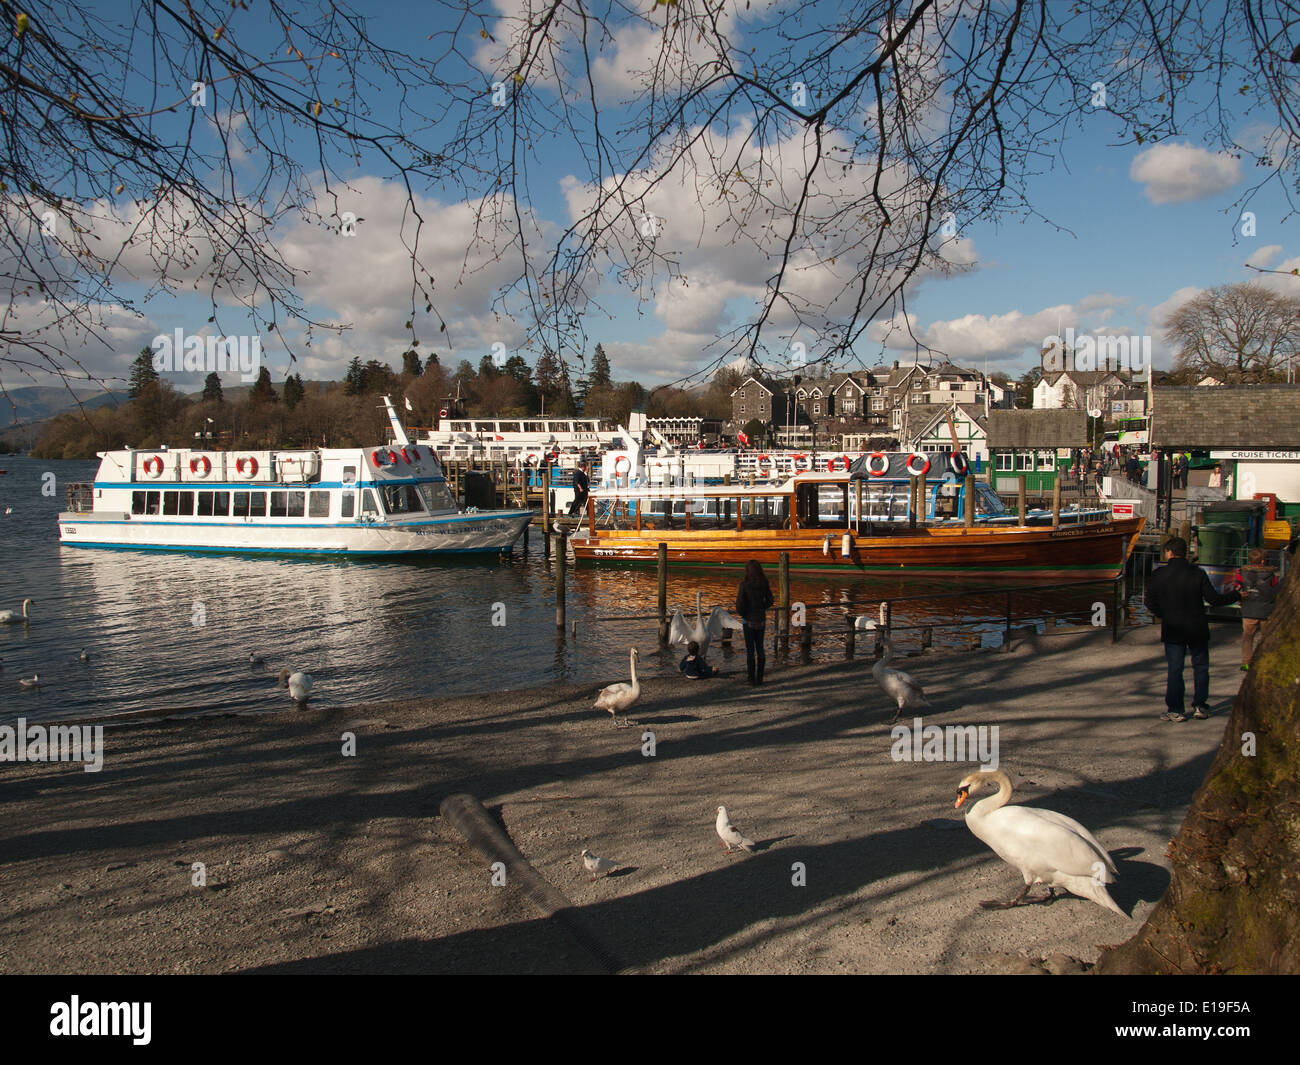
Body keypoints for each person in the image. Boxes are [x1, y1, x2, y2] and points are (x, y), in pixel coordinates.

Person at [1145, 536, 1241, 722]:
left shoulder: (1159, 574)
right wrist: (1236, 595)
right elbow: (1214, 600)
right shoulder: (1197, 573)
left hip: (1173, 626)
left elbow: (1150, 602)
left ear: (1170, 553)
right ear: (1185, 552)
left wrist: (1164, 614)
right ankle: (1200, 705)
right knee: (1201, 667)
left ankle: (1175, 709)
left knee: (1175, 669)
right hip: (1196, 625)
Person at [1224, 548, 1280, 671]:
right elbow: (1276, 591)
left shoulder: (1242, 573)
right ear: (1264, 561)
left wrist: (1240, 598)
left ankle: (1246, 663)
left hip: (1249, 610)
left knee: (1248, 638)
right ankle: (1264, 662)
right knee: (1266, 638)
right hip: (1267, 611)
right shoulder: (1271, 575)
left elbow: (1236, 587)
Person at [735, 560, 774, 685]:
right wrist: (762, 607)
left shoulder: (744, 585)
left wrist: (744, 613)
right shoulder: (764, 583)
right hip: (760, 619)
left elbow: (740, 604)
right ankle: (760, 678)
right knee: (760, 648)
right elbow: (770, 600)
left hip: (748, 620)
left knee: (750, 650)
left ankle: (751, 679)